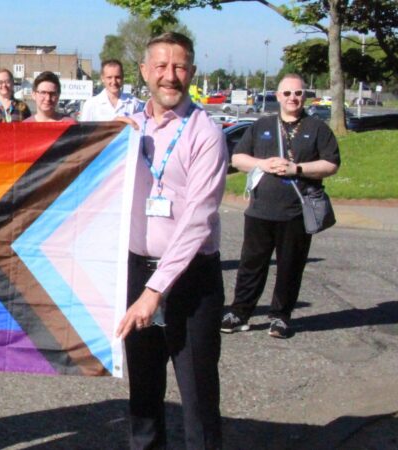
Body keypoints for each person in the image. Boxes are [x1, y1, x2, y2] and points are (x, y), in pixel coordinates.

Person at [115, 32, 227, 449]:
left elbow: (198, 221)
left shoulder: (206, 134)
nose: (170, 76)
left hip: (189, 281)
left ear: (192, 72)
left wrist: (154, 291)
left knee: (197, 398)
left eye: (179, 67)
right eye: (160, 66)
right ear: (144, 71)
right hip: (136, 271)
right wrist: (103, 141)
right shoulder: (126, 129)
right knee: (143, 396)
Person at [221, 74, 340, 339]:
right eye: (287, 94)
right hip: (259, 211)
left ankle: (281, 316)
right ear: (277, 96)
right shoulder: (261, 125)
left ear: (304, 96)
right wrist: (262, 164)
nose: (292, 99)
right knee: (251, 265)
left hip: (296, 213)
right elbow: (238, 158)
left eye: (297, 93)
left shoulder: (317, 128)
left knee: (290, 267)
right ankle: (240, 313)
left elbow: (331, 164)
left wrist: (296, 168)